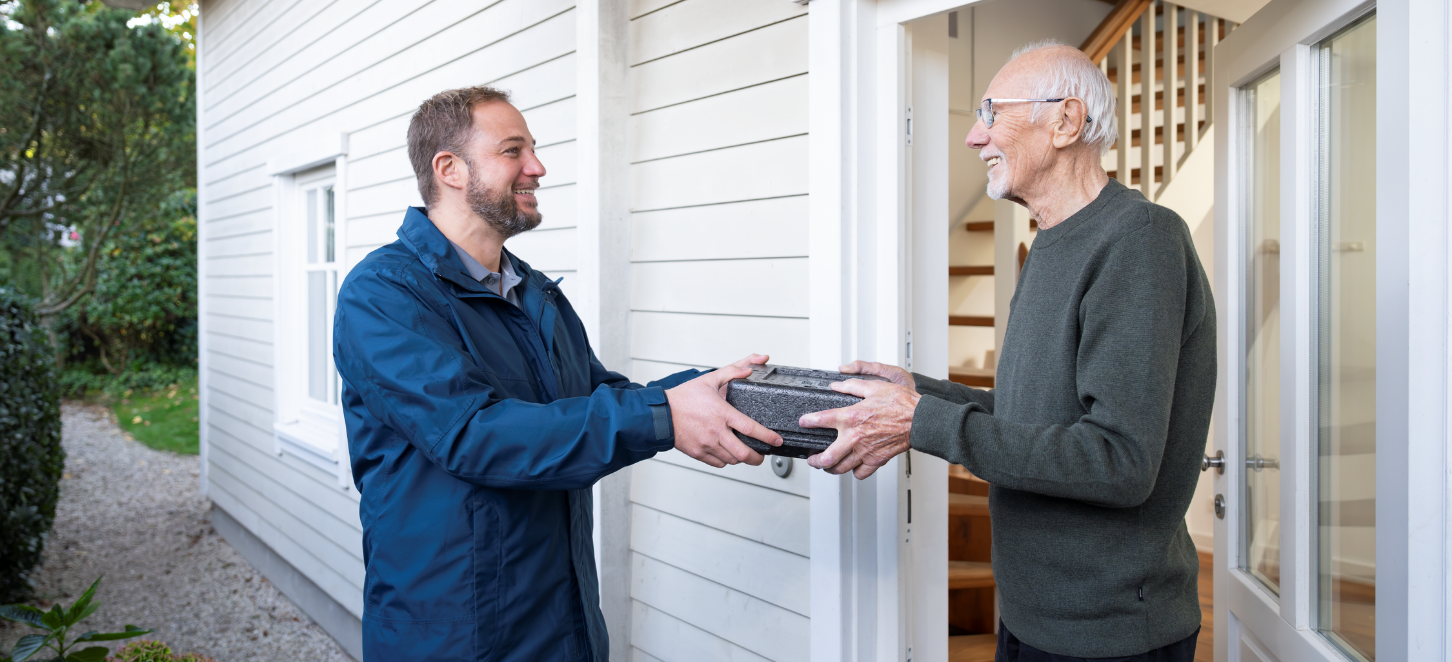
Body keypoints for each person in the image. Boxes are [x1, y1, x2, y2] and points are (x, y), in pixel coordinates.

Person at [332, 85, 782, 662]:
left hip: (561, 624)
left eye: (533, 150)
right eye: (513, 151)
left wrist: (716, 392)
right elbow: (474, 436)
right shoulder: (385, 294)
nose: (537, 168)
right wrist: (664, 416)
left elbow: (594, 399)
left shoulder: (534, 292)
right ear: (449, 169)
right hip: (455, 637)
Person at [800, 41, 1215, 661]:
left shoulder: (1139, 240)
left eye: (991, 112)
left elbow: (1118, 460)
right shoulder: (1051, 242)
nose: (973, 136)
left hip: (1108, 635)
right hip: (1031, 614)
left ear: (1065, 122)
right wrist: (914, 391)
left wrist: (920, 421)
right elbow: (1033, 417)